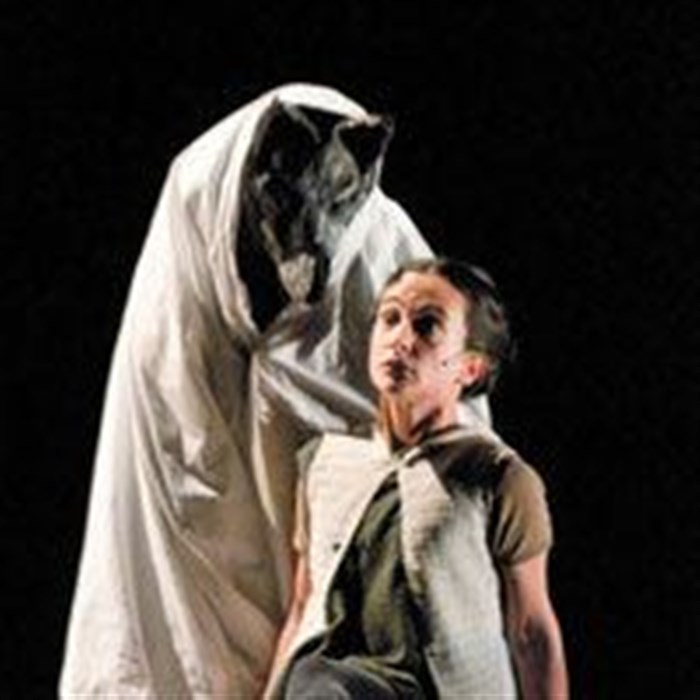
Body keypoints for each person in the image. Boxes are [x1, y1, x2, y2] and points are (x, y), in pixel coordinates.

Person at [59, 84, 490, 698]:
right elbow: (178, 469)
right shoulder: (189, 259)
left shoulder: (388, 271)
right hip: (225, 597)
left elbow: (453, 477)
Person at [265, 258, 568, 698]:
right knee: (319, 681)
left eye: (427, 326)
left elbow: (530, 629)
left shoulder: (496, 476)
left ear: (470, 368)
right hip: (341, 688)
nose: (401, 339)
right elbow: (303, 607)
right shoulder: (324, 464)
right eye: (390, 319)